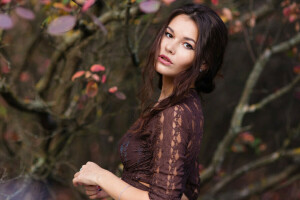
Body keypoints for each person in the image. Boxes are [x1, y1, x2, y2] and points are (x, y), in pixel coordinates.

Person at [73, 3, 228, 200]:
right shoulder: (185, 104)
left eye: (187, 45)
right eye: (169, 35)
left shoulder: (175, 113)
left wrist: (103, 176)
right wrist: (114, 189)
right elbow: (182, 191)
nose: (169, 47)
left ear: (203, 63)